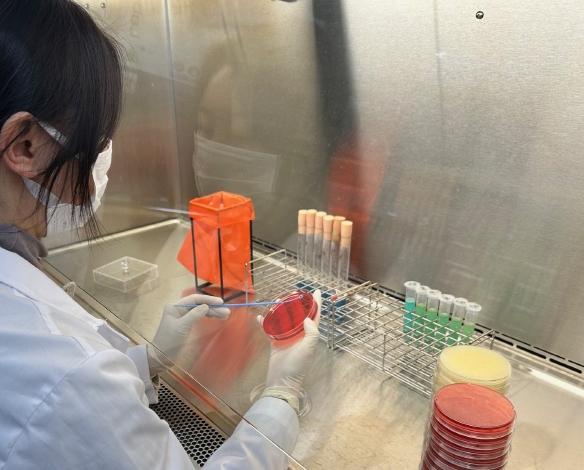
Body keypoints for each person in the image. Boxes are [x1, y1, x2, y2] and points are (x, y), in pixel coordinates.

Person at [0, 1, 320, 468]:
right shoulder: (64, 371)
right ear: (25, 145)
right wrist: (282, 396)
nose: (101, 165)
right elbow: (75, 394)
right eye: (96, 144)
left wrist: (146, 360)